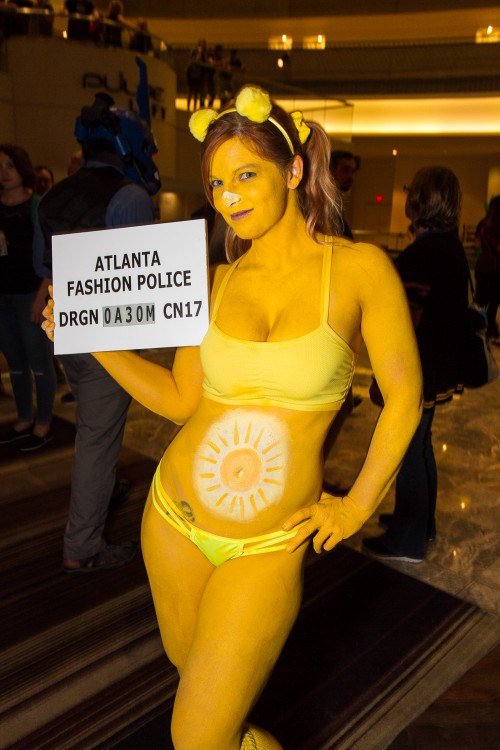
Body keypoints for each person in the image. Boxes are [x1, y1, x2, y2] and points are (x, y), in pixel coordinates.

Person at [43, 85, 421, 748]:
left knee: (197, 734)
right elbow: (180, 399)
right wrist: (91, 338)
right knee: (206, 699)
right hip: (173, 520)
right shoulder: (213, 279)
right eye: (217, 183)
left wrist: (357, 507)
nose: (228, 197)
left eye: (246, 175)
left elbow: (406, 399)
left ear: (294, 170)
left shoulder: (361, 270)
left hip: (268, 545)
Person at [35, 92, 160, 573]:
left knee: (95, 428)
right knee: (97, 438)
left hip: (66, 332)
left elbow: (44, 269)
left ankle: (100, 493)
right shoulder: (130, 198)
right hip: (109, 339)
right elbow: (140, 277)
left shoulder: (55, 195)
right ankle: (82, 548)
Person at [363, 166, 469, 564]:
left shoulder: (424, 253)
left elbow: (406, 321)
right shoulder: (450, 247)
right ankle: (420, 524)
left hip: (416, 370)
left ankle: (407, 540)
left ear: (420, 201)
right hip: (437, 367)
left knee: (407, 448)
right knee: (420, 445)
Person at [0, 144, 56, 451]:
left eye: (10, 165)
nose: (4, 172)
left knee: (40, 363)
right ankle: (24, 417)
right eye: (0, 166)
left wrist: (40, 298)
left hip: (30, 297)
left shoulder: (38, 205)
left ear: (22, 168)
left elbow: (49, 255)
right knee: (15, 364)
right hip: (3, 299)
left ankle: (43, 421)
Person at [474, 196, 500, 342]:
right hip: (492, 270)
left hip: (484, 267)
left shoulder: (483, 224)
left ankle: (481, 331)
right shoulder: (493, 226)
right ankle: (486, 331)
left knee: (481, 303)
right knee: (492, 303)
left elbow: (477, 243)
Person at [329, 149, 359, 240]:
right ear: (331, 171)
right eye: (345, 170)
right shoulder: (324, 204)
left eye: (353, 171)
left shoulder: (336, 204)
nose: (350, 176)